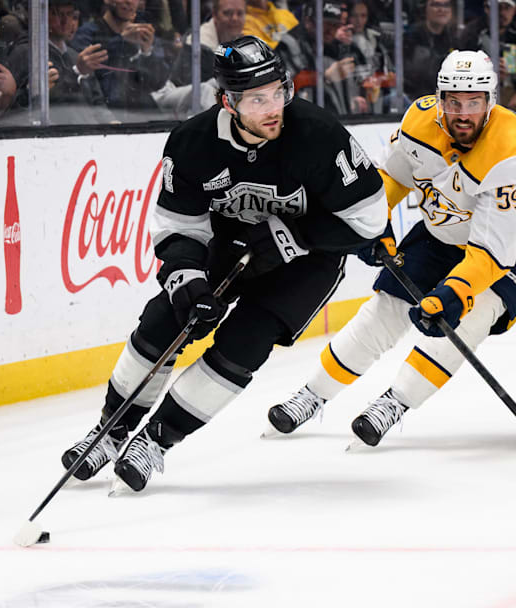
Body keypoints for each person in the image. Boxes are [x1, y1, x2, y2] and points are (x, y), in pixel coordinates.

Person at [60, 36, 389, 492]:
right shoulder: (193, 142)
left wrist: (297, 235)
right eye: (257, 99)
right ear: (227, 102)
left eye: (279, 91)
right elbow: (180, 226)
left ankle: (157, 440)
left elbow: (370, 220)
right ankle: (110, 431)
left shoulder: (318, 134)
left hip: (306, 260)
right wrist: (188, 281)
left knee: (245, 343)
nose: (273, 107)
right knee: (165, 319)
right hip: (227, 242)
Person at [264, 50, 516, 447]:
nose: (463, 113)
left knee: (469, 317)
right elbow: (389, 179)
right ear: (440, 98)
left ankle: (396, 401)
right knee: (385, 308)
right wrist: (375, 225)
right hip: (445, 229)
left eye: (474, 102)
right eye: (453, 101)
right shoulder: (419, 122)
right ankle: (312, 394)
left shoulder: (509, 154)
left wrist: (454, 292)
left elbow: (492, 252)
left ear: (490, 102)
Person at [6, 0, 116, 124]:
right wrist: (76, 72)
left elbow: (97, 101)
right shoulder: (25, 53)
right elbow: (11, 107)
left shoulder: (75, 55)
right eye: (57, 14)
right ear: (42, 16)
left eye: (69, 14)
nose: (65, 21)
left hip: (88, 135)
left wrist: (111, 122)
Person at [70, 0, 171, 121]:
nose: (129, 2)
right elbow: (89, 79)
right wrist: (122, 41)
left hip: (144, 115)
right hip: (108, 117)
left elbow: (158, 83)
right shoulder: (87, 33)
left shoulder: (144, 33)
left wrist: (147, 52)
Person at [151, 0, 246, 118]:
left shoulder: (240, 40)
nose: (234, 18)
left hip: (196, 102)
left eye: (240, 13)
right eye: (227, 13)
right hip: (168, 97)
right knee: (207, 91)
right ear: (215, 15)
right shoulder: (199, 42)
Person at [461, 0, 516, 112]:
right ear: (487, 9)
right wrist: (489, 74)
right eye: (498, 7)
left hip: (509, 89)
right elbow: (463, 70)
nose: (502, 13)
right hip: (479, 92)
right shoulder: (472, 33)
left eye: (507, 8)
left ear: (514, 10)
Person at [401, 0, 459, 101]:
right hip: (416, 98)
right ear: (425, 9)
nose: (442, 10)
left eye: (446, 5)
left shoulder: (453, 39)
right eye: (436, 4)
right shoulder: (412, 37)